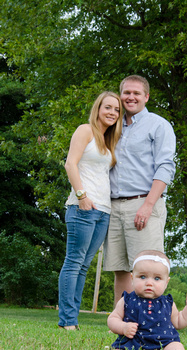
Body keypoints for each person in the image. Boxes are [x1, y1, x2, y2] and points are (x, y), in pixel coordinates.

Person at [103, 75, 176, 305]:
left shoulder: (158, 125)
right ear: (120, 95)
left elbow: (165, 167)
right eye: (126, 92)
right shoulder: (111, 126)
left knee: (148, 268)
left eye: (136, 93)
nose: (131, 97)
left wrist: (147, 205)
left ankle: (151, 326)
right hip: (114, 205)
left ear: (146, 96)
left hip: (144, 203)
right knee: (121, 269)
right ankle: (122, 325)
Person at [58, 91, 123, 330]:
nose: (112, 113)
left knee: (83, 266)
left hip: (103, 211)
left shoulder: (107, 141)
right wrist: (82, 196)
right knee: (74, 262)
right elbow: (70, 163)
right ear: (98, 108)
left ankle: (71, 320)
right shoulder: (85, 130)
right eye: (108, 107)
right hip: (82, 208)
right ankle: (67, 321)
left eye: (116, 110)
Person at [107, 250, 187, 350]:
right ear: (132, 279)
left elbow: (179, 322)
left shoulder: (167, 303)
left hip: (164, 342)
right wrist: (123, 327)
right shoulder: (127, 300)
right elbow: (113, 319)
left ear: (166, 283)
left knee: (176, 347)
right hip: (133, 341)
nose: (149, 283)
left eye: (157, 278)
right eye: (142, 277)